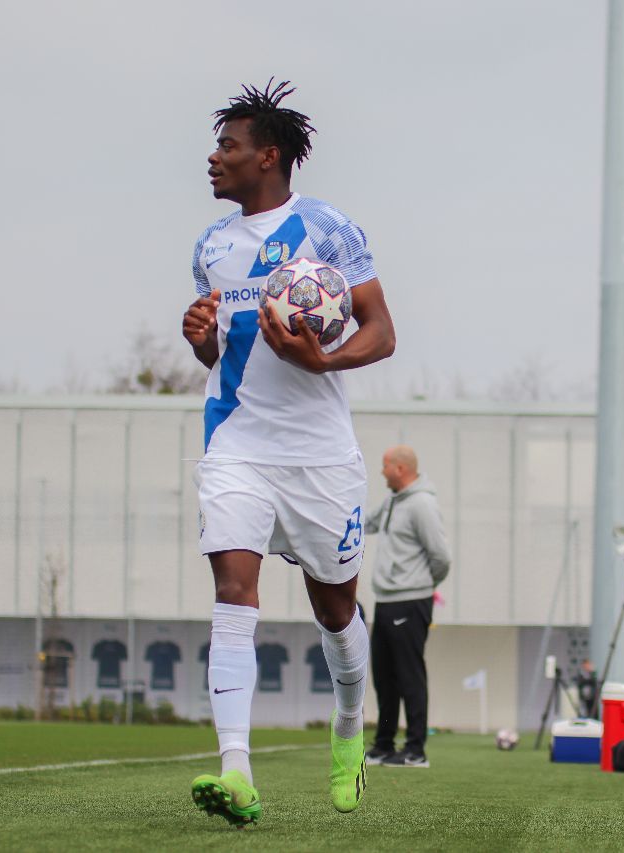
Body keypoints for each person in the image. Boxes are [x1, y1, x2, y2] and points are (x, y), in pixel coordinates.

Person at [182, 80, 396, 825]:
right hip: (236, 444)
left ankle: (349, 725)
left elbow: (381, 330)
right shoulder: (210, 246)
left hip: (318, 456)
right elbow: (220, 352)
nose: (215, 158)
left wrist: (323, 360)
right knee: (233, 591)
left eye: (228, 146)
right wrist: (201, 339)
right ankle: (235, 771)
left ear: (267, 156)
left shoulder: (324, 227)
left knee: (335, 610)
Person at [363, 445, 451, 768]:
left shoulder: (422, 504)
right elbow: (365, 523)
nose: (382, 471)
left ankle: (415, 750)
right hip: (386, 600)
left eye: (385, 465)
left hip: (411, 601)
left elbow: (441, 557)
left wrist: (423, 585)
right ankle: (384, 745)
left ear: (400, 469)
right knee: (384, 677)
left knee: (409, 676)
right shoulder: (392, 501)